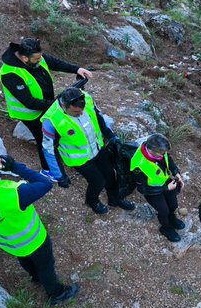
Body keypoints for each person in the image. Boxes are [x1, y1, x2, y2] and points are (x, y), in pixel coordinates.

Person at [0, 141, 79, 306]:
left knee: (24, 259)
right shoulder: (14, 192)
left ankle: (35, 277)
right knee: (46, 267)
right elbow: (45, 183)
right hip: (35, 241)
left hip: (6, 243)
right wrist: (15, 166)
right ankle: (57, 293)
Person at [0, 37, 92, 182]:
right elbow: (29, 102)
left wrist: (77, 69)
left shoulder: (35, 56)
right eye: (37, 58)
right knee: (44, 139)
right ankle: (48, 170)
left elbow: (55, 62)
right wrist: (56, 104)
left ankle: (58, 159)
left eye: (41, 56)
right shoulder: (10, 74)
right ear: (24, 58)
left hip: (47, 105)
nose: (40, 60)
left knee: (55, 134)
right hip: (30, 114)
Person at [41, 85, 135, 214]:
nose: (80, 113)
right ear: (64, 105)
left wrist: (110, 135)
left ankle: (114, 199)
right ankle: (92, 202)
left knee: (110, 175)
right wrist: (59, 175)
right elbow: (48, 150)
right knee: (98, 182)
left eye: (82, 110)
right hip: (79, 159)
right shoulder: (51, 120)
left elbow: (99, 118)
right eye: (75, 112)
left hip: (97, 148)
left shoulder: (87, 100)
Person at [129, 133, 185, 242]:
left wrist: (176, 173)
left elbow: (169, 159)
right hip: (152, 191)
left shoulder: (159, 151)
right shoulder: (138, 165)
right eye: (162, 153)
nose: (164, 155)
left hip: (165, 182)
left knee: (173, 205)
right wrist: (166, 189)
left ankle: (172, 218)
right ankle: (166, 228)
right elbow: (143, 189)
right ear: (151, 151)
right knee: (163, 210)